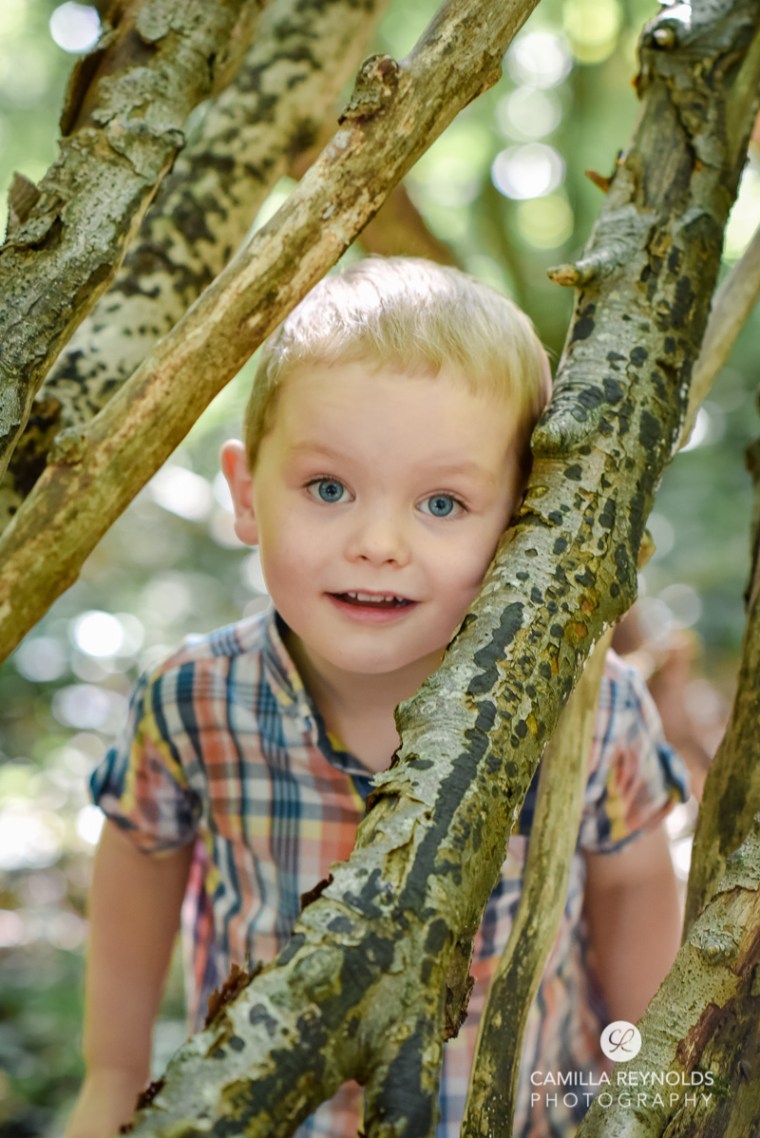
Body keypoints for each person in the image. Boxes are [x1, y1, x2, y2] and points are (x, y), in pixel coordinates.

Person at [65, 257, 687, 1138]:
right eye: (329, 489)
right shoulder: (194, 699)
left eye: (442, 503)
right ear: (247, 494)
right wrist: (113, 1074)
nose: (378, 543)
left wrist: (646, 1090)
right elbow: (140, 858)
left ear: (524, 519)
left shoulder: (587, 710)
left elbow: (631, 889)